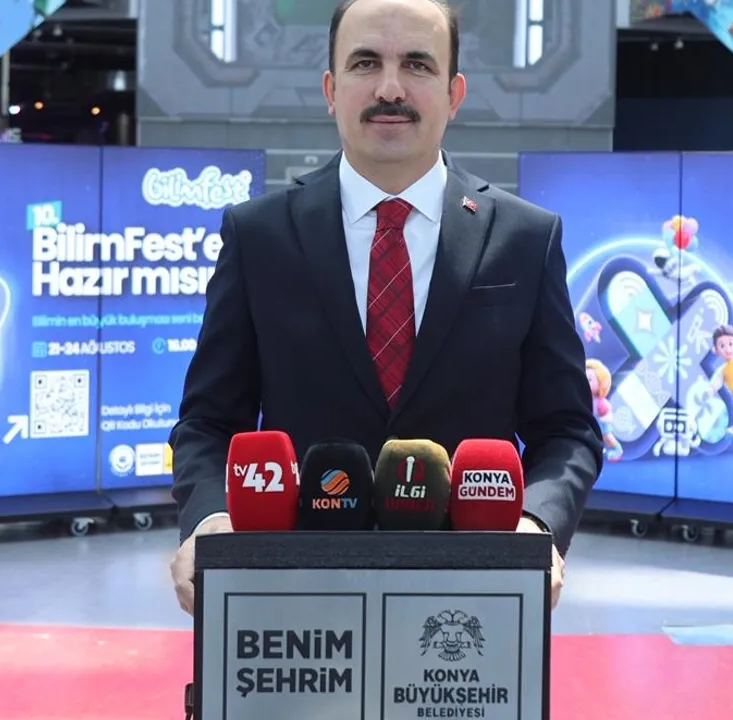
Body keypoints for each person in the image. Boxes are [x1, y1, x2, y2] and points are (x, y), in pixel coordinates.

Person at [168, 0, 602, 615]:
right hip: (292, 593)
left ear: (454, 94)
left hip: (474, 596)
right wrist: (210, 519)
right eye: (366, 63)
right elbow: (208, 422)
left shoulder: (526, 238)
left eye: (417, 65)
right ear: (331, 89)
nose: (390, 89)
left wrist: (535, 524)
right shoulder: (258, 235)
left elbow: (566, 430)